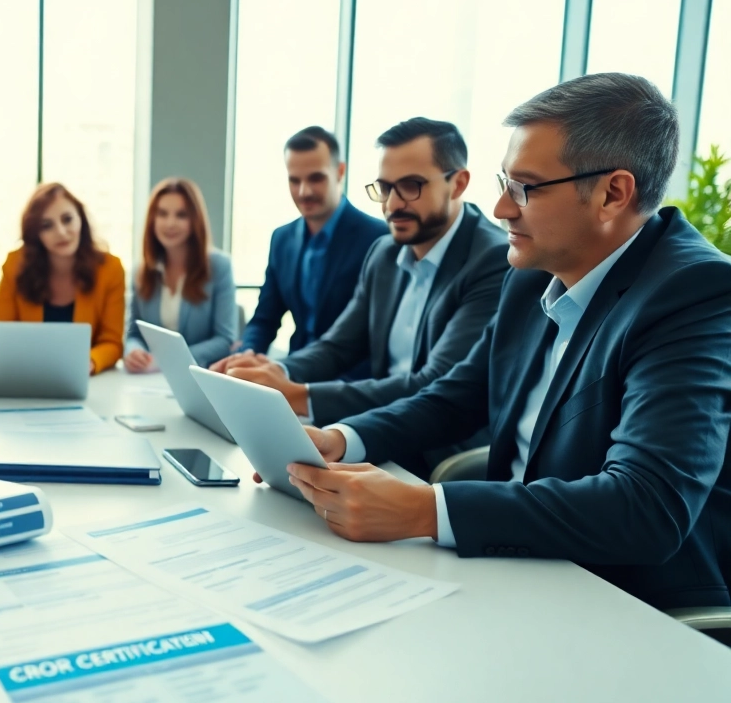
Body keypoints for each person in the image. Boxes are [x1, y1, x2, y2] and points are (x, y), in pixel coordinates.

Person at [284, 73, 731, 611]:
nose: (500, 209)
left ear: (613, 193)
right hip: (510, 571)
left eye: (525, 188)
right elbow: (456, 395)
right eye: (504, 182)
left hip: (622, 602)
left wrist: (425, 510)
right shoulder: (532, 273)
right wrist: (341, 438)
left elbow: (646, 507)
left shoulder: (695, 294)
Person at [221, 119, 508, 475]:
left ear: (458, 183)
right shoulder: (384, 253)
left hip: (440, 453)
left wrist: (298, 394)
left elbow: (433, 383)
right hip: (376, 428)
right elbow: (339, 346)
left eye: (411, 186)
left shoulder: (493, 259)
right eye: (385, 188)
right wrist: (273, 371)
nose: (392, 204)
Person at [212, 126, 385, 373]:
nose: (304, 191)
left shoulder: (378, 238)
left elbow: (376, 340)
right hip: (290, 373)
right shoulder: (282, 239)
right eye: (294, 180)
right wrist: (245, 355)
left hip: (348, 383)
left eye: (315, 178)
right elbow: (265, 319)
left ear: (340, 172)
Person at [0, 183, 125, 374]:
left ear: (81, 220)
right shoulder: (15, 264)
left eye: (67, 219)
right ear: (36, 234)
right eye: (47, 225)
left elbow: (112, 342)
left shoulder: (110, 268)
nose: (61, 232)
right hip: (27, 374)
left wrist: (90, 362)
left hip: (86, 379)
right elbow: (0, 334)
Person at [124, 177, 237, 370]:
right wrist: (133, 351)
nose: (170, 223)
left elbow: (225, 339)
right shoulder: (140, 271)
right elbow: (134, 333)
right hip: (150, 380)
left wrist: (172, 359)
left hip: (200, 374)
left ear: (195, 220)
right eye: (162, 214)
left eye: (181, 215)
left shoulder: (219, 266)